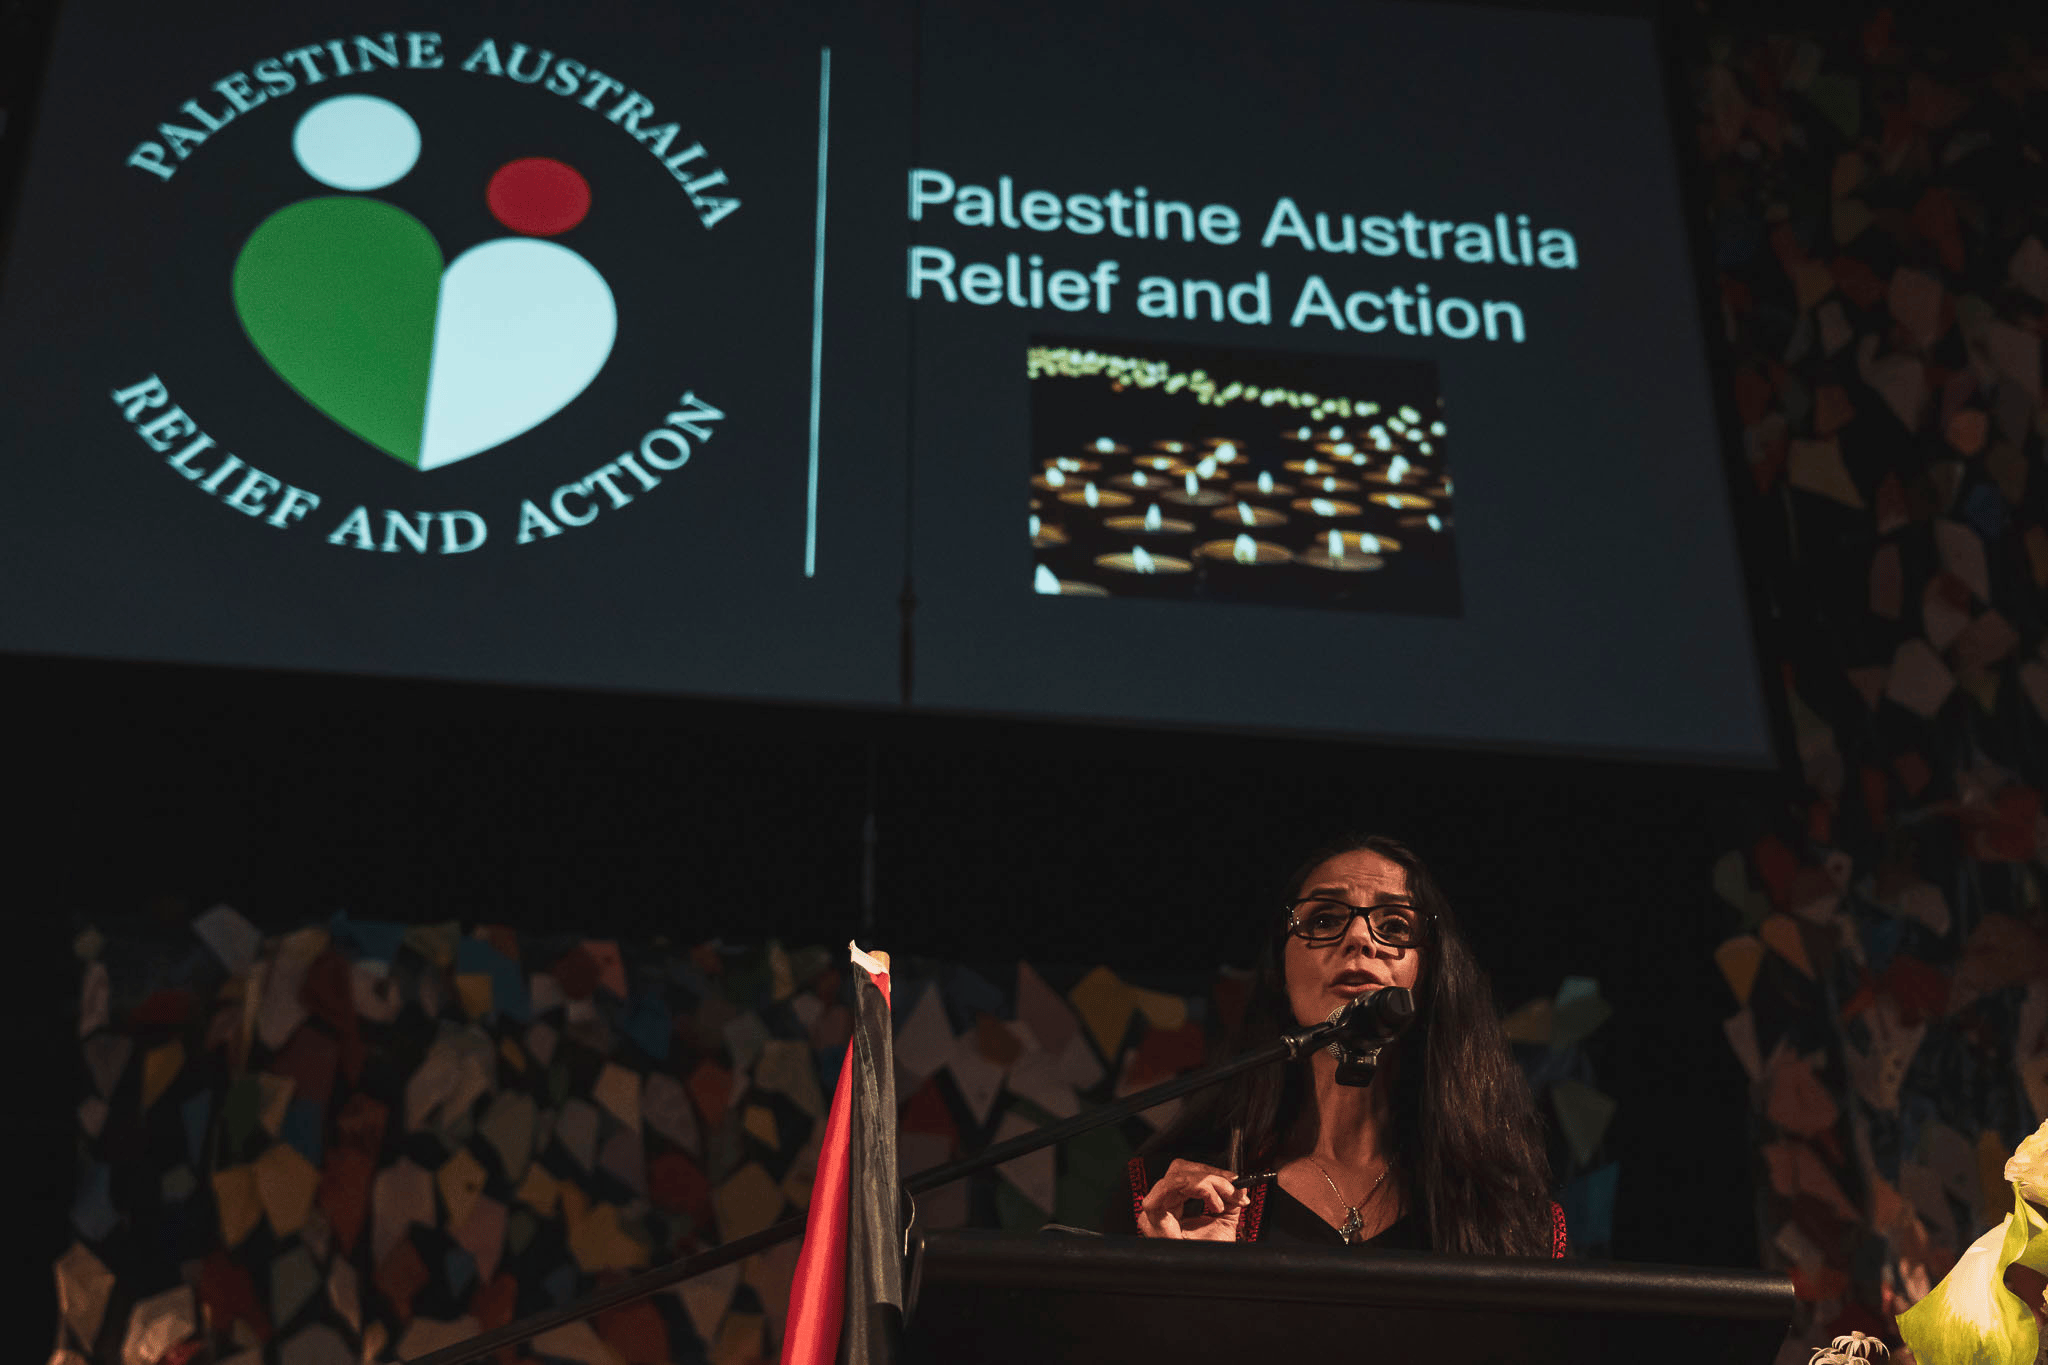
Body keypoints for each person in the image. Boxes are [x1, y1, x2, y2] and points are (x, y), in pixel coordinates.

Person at [1105, 834, 1565, 1257]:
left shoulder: (1514, 1220)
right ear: (1280, 974)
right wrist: (1183, 1281)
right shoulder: (1173, 1198)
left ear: (1430, 979)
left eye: (1395, 925)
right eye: (1324, 919)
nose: (1360, 938)